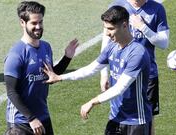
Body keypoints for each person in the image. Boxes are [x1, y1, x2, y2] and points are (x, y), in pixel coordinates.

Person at [44, 6, 152, 135]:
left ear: (124, 25)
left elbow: (120, 88)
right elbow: (91, 69)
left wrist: (92, 102)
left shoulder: (137, 52)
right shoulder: (112, 47)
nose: (106, 33)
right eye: (105, 28)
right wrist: (60, 77)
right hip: (115, 118)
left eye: (111, 29)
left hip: (136, 121)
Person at [4, 1, 79, 135]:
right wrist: (31, 118)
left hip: (43, 117)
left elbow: (51, 75)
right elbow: (11, 92)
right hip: (21, 122)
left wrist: (67, 57)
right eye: (34, 23)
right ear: (22, 22)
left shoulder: (46, 47)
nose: (38, 27)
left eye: (40, 22)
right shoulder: (16, 54)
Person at [100, 0, 169, 134]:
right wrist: (103, 74)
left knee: (147, 124)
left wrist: (143, 27)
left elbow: (164, 43)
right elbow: (106, 43)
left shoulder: (157, 9)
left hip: (147, 77)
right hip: (119, 74)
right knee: (118, 116)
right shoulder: (117, 7)